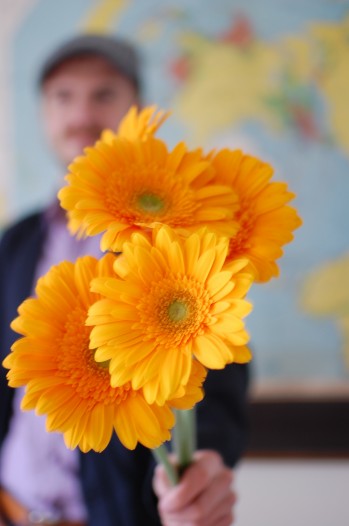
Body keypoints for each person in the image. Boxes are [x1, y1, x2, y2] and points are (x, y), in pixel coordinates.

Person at [0, 34, 249, 526]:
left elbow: (215, 367)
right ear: (43, 115)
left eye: (103, 94)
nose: (81, 115)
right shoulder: (16, 241)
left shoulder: (176, 230)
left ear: (137, 103)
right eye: (62, 96)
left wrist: (199, 470)